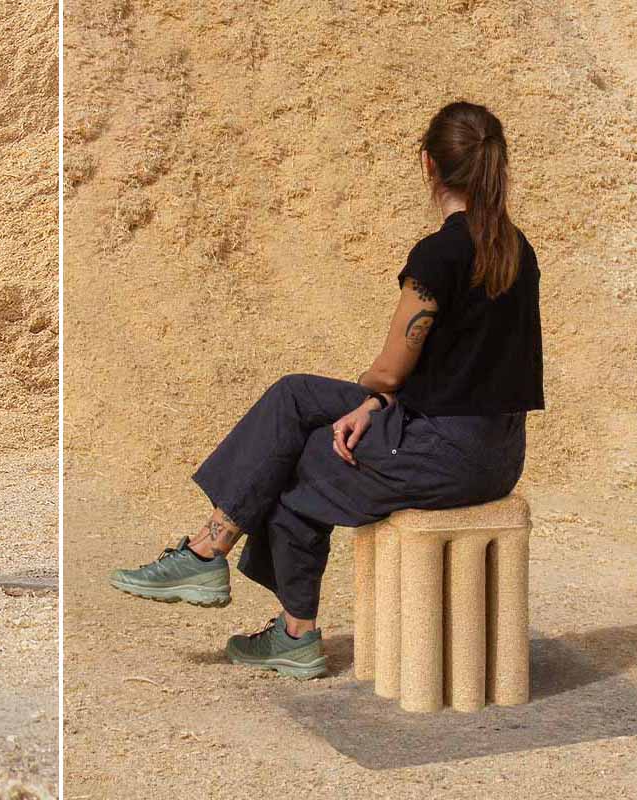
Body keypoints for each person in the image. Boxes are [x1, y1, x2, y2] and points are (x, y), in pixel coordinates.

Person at [109, 101, 545, 679]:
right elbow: (453, 369)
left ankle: (271, 610)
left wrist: (376, 392)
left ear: (428, 165)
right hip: (499, 452)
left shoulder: (439, 254)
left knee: (295, 459)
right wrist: (373, 405)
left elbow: (392, 369)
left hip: (442, 451)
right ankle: (214, 555)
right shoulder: (518, 249)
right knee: (294, 397)